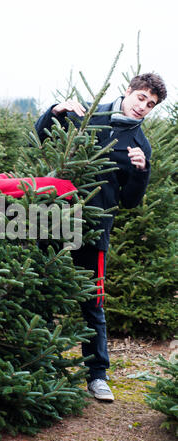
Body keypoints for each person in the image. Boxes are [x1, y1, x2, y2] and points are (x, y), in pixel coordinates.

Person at [35, 73, 167, 401]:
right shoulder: (90, 115)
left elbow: (131, 201)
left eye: (151, 105)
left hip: (94, 230)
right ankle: (39, 359)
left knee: (92, 303)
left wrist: (142, 171)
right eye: (141, 99)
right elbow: (41, 136)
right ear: (128, 92)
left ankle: (97, 376)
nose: (143, 108)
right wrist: (55, 109)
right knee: (41, 288)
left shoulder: (140, 145)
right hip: (54, 219)